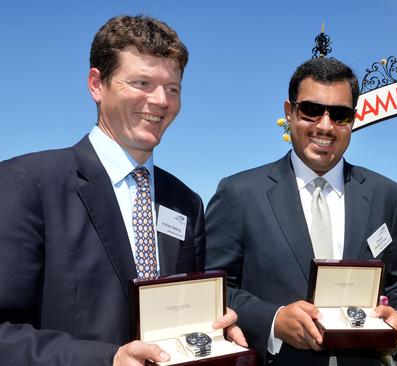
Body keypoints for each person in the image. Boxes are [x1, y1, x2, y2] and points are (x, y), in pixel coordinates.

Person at [0, 15, 244, 366]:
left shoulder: (187, 203)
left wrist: (211, 333)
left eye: (172, 88)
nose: (160, 100)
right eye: (142, 82)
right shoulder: (25, 184)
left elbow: (178, 313)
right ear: (97, 85)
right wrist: (107, 360)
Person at [205, 57, 397, 365]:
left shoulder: (388, 195)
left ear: (353, 120)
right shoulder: (239, 194)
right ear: (289, 112)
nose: (325, 125)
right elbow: (214, 290)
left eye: (339, 114)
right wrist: (273, 320)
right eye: (311, 110)